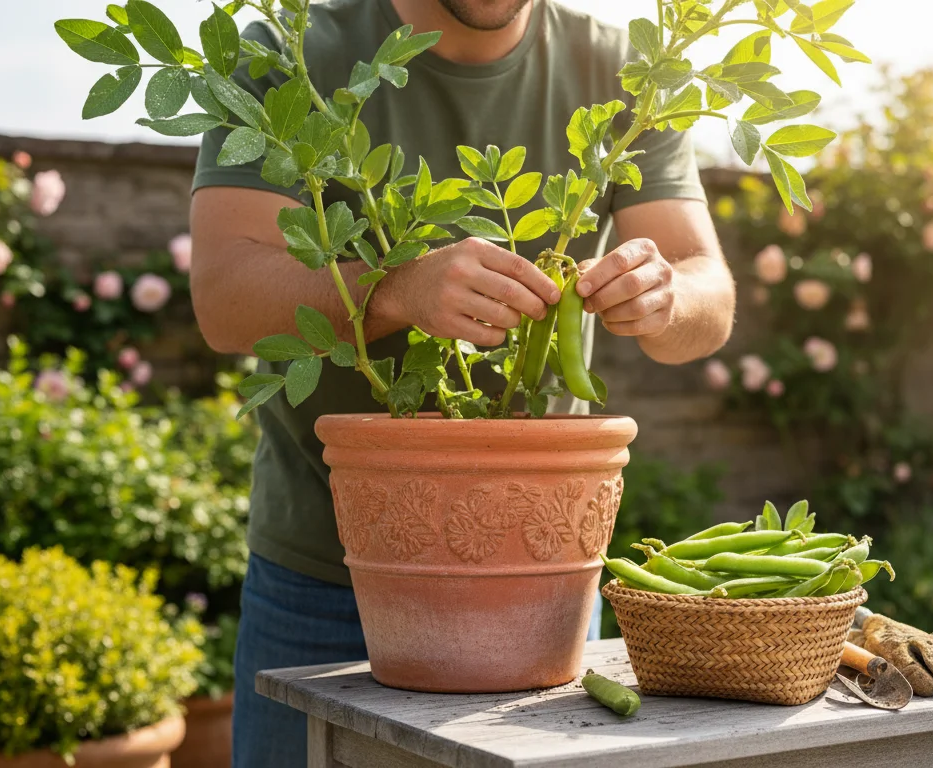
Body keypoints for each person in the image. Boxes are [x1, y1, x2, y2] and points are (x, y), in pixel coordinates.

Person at [188, 0, 736, 764]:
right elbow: (222, 300)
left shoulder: (628, 74)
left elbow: (707, 297)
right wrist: (394, 289)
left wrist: (666, 296)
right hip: (321, 579)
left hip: (540, 579)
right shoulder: (295, 52)